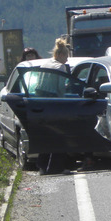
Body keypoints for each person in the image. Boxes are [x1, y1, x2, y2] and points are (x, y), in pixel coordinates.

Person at [36, 37, 73, 174]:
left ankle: (42, 166)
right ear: (61, 55)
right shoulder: (60, 67)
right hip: (53, 103)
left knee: (46, 135)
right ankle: (57, 167)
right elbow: (60, 89)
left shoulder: (45, 64)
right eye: (66, 57)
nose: (67, 60)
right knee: (59, 135)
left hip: (40, 103)